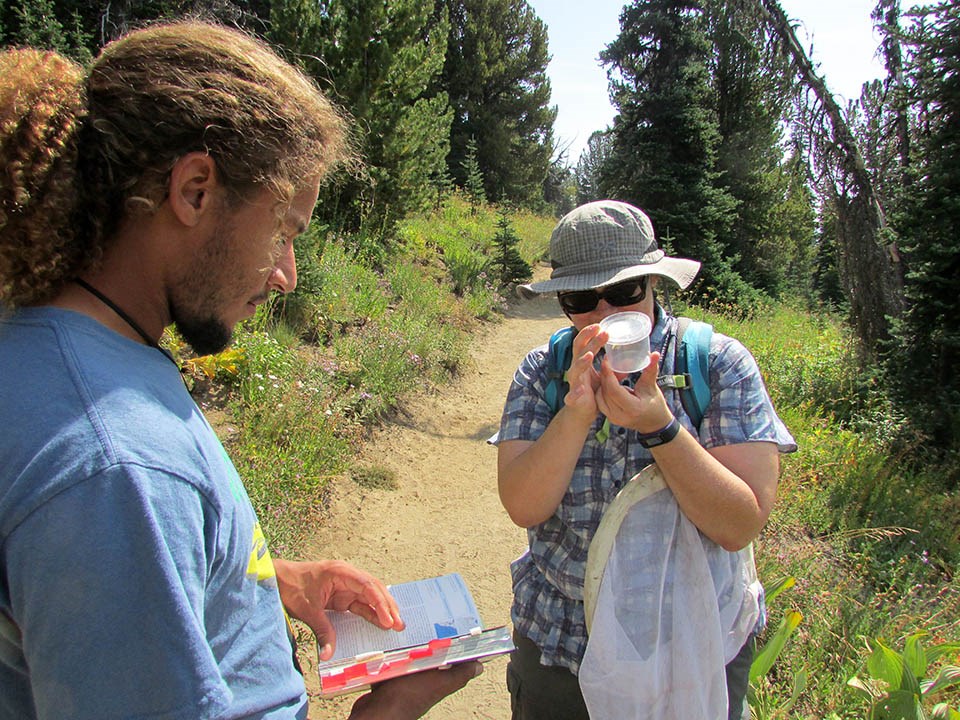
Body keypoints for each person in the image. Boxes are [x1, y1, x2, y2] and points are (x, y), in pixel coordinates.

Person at [0, 22, 480, 720]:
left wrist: (264, 582)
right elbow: (119, 519)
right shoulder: (117, 465)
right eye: (283, 229)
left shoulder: (61, 352)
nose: (286, 275)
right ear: (194, 190)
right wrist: (388, 711)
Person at [494, 200, 797, 719]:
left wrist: (661, 427)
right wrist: (574, 413)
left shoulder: (718, 364)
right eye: (581, 297)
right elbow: (524, 505)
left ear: (655, 283)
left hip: (692, 648)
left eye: (624, 292)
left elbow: (739, 523)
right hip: (563, 644)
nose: (604, 314)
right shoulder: (543, 371)